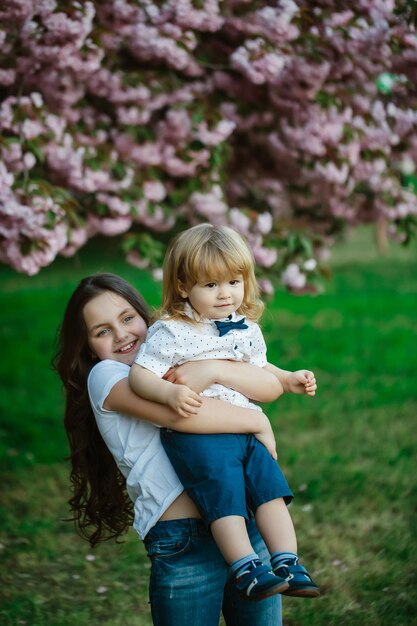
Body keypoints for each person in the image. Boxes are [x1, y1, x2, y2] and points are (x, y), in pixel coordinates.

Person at [54, 272, 314, 626]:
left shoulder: (174, 353)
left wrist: (211, 368)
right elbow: (180, 417)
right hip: (184, 540)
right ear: (87, 346)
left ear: (146, 317)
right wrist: (257, 422)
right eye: (102, 331)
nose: (121, 335)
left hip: (245, 522)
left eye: (128, 318)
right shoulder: (107, 376)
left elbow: (266, 383)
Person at [129, 224, 320, 601]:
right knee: (225, 494)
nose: (225, 294)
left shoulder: (245, 328)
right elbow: (140, 375)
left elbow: (259, 367)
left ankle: (287, 561)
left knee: (270, 492)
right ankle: (246, 566)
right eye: (211, 285)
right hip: (200, 431)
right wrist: (168, 393)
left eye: (234, 281)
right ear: (184, 286)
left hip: (244, 430)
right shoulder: (170, 330)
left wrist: (287, 378)